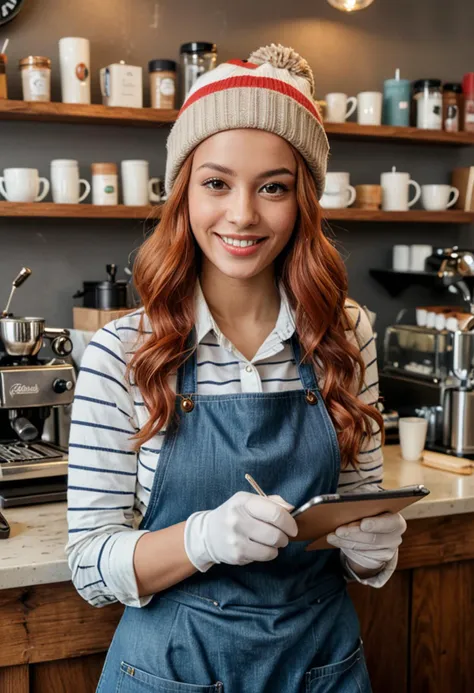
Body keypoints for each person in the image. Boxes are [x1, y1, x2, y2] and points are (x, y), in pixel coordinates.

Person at [66, 43, 406, 693]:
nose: (243, 214)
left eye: (272, 186)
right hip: (173, 667)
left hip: (322, 664)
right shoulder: (122, 351)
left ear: (302, 197)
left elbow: (361, 502)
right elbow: (88, 565)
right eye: (216, 182)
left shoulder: (346, 333)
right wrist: (203, 537)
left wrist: (373, 548)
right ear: (184, 192)